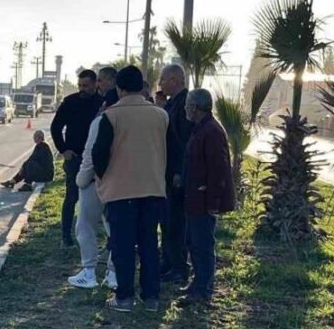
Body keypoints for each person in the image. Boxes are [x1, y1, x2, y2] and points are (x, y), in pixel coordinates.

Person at [90, 66, 172, 312]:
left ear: (119, 88)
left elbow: (99, 154)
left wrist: (102, 179)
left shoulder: (111, 116)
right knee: (148, 243)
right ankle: (151, 297)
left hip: (121, 190)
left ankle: (124, 297)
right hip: (153, 189)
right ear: (141, 86)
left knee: (123, 246)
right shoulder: (161, 115)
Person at [179, 89, 236, 307]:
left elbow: (218, 169)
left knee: (202, 245)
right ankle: (197, 284)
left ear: (195, 107)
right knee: (193, 242)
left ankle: (203, 289)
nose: (185, 109)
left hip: (203, 200)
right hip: (194, 197)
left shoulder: (211, 131)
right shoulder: (201, 128)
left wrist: (213, 202)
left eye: (187, 105)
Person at [50, 69, 104, 247]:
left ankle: (100, 238)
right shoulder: (70, 102)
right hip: (75, 157)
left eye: (86, 86)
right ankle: (66, 236)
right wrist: (64, 149)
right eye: (80, 85)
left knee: (102, 197)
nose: (82, 89)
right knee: (71, 196)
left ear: (96, 84)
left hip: (98, 158)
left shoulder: (102, 103)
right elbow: (56, 127)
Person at [68, 111, 118, 291]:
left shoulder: (101, 121)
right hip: (120, 183)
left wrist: (81, 179)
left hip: (94, 182)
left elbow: (90, 154)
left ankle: (89, 272)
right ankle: (113, 273)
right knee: (116, 229)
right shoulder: (132, 120)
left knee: (85, 226)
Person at [158, 64, 194, 285]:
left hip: (176, 174)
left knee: (175, 223)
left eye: (163, 79)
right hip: (167, 172)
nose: (160, 83)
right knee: (167, 221)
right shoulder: (172, 103)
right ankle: (168, 262)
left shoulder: (184, 104)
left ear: (174, 80)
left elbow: (183, 142)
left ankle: (179, 267)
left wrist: (179, 172)